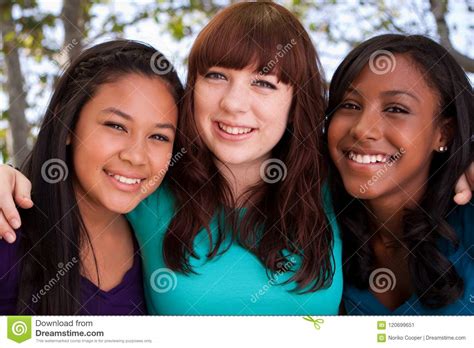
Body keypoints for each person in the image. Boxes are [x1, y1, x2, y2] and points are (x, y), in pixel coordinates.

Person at [0, 40, 182, 314]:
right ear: (68, 122)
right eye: (117, 126)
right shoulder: (7, 232)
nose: (136, 156)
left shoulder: (160, 238)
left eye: (159, 136)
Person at [326, 34, 473, 314]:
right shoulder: (317, 231)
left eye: (395, 109)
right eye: (350, 105)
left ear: (443, 132)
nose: (362, 129)